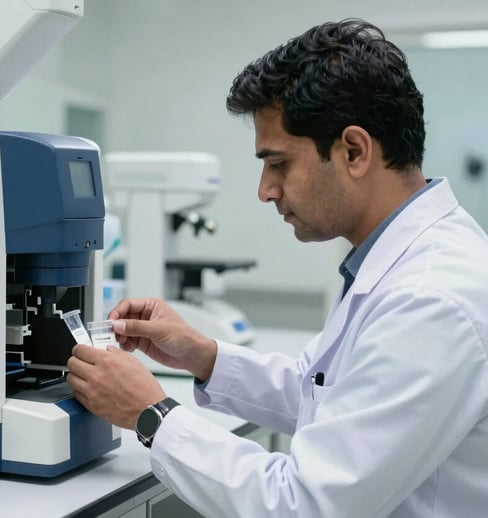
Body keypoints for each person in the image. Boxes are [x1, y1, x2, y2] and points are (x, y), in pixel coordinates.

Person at [66, 18, 488, 517]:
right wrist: (203, 356)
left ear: (354, 151)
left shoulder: (429, 298)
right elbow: (322, 395)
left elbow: (302, 504)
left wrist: (151, 415)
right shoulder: (401, 261)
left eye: (279, 163)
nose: (265, 189)